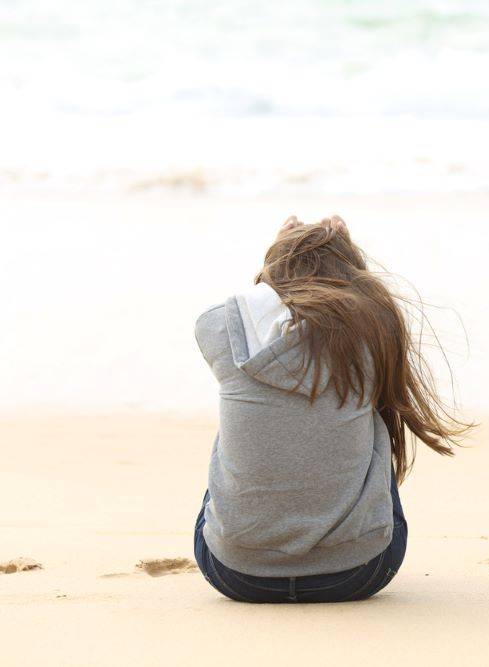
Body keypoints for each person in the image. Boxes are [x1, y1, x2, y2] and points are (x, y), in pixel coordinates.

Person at [192, 216, 468, 602]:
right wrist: (342, 255)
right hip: (358, 573)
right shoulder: (374, 328)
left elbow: (248, 312)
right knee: (372, 420)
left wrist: (280, 254)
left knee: (242, 427)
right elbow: (366, 303)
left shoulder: (218, 328)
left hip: (236, 574)